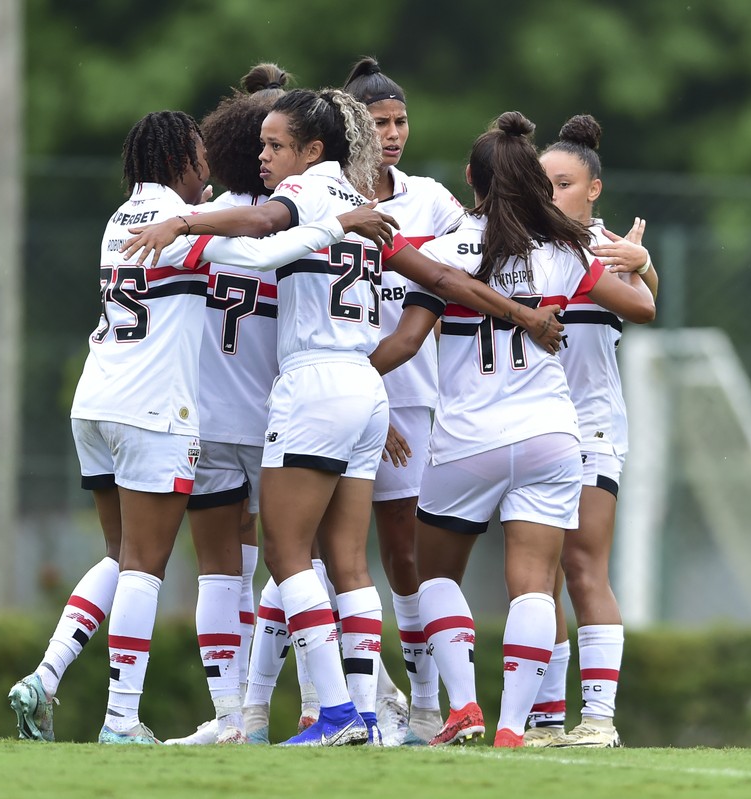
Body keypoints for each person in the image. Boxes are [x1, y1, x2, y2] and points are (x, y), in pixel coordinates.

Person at [121, 88, 562, 746]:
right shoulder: (362, 206)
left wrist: (188, 227)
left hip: (314, 382)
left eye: (274, 145)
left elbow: (266, 230)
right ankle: (360, 713)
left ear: (313, 148)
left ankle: (330, 712)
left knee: (287, 553)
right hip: (366, 384)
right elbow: (434, 280)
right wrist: (525, 315)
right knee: (351, 564)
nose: (263, 156)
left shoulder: (310, 195)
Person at [6, 109, 381, 746]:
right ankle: (123, 719)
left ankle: (49, 673)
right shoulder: (179, 230)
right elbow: (267, 251)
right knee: (146, 568)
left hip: (94, 398)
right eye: (199, 159)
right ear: (181, 160)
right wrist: (339, 224)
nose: (208, 169)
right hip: (155, 411)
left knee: (121, 554)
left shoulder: (119, 219)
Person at [368, 111, 655, 748]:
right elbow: (641, 305)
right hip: (554, 436)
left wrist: (350, 376)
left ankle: (465, 708)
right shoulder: (564, 250)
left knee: (436, 576)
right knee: (535, 583)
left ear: (470, 177)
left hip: (467, 438)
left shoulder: (442, 252)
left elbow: (408, 341)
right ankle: (515, 729)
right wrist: (641, 262)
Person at [162, 63, 290, 747]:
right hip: (280, 425)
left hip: (207, 420)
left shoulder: (202, 233)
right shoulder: (292, 226)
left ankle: (231, 715)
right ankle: (262, 709)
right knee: (292, 564)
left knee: (220, 569)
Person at [527, 113, 660, 749]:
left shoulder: (605, 248)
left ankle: (599, 718)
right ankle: (547, 718)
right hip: (530, 429)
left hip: (592, 429)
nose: (549, 194)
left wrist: (646, 263)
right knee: (539, 574)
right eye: (542, 183)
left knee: (583, 566)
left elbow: (645, 300)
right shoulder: (522, 246)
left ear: (593, 189)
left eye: (562, 183)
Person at [344, 55, 464, 746]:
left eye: (400, 122)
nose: (393, 135)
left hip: (414, 406)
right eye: (379, 123)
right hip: (339, 404)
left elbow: (473, 255)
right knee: (319, 558)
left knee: (403, 557)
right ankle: (347, 702)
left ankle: (422, 704)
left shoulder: (429, 200)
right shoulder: (326, 199)